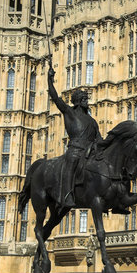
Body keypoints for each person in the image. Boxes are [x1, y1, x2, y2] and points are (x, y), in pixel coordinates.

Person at [48, 61, 102, 208]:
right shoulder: (69, 112)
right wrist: (49, 80)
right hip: (76, 150)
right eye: (84, 99)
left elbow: (100, 140)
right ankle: (67, 195)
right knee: (71, 162)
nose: (87, 101)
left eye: (87, 99)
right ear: (78, 101)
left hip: (90, 152)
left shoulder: (92, 121)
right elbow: (56, 98)